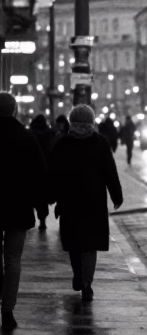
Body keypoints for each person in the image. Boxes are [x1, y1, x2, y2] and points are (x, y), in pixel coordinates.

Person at [48, 103, 123, 302]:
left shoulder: (63, 143)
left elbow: (53, 172)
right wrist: (116, 195)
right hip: (94, 201)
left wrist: (50, 195)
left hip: (70, 200)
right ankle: (87, 282)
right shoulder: (100, 142)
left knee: (73, 241)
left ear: (72, 122)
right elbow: (110, 171)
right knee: (90, 244)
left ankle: (78, 274)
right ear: (91, 121)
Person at [0, 92, 48, 331]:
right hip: (18, 207)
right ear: (15, 110)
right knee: (13, 260)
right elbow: (39, 174)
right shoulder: (26, 137)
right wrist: (42, 206)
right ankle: (7, 310)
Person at [29, 114, 55, 229]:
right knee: (42, 197)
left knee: (30, 194)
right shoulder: (49, 134)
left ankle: (30, 218)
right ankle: (42, 220)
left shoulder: (30, 134)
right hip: (46, 168)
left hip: (32, 168)